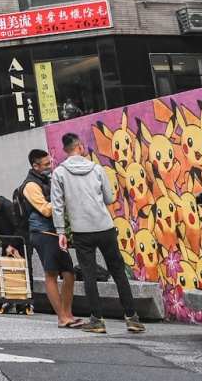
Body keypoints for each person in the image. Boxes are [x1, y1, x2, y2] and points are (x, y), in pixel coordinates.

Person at [52, 132, 144, 335]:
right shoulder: (97, 169)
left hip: (81, 230)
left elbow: (57, 205)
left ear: (65, 150)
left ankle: (97, 320)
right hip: (105, 226)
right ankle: (132, 318)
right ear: (80, 147)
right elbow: (110, 199)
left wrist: (61, 231)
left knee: (89, 273)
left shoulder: (59, 173)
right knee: (118, 270)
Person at [18, 148, 80, 328]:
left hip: (55, 232)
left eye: (49, 163)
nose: (49, 167)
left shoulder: (48, 180)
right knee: (51, 274)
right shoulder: (30, 185)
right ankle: (62, 317)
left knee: (70, 274)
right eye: (45, 165)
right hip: (42, 233)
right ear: (35, 166)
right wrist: (63, 202)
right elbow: (45, 209)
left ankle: (68, 314)